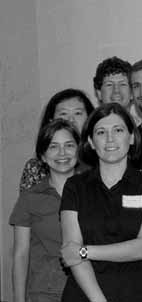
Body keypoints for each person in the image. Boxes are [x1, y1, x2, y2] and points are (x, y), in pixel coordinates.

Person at [59, 103, 142, 302]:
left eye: (118, 130)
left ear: (131, 137)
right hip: (86, 294)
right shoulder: (75, 187)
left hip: (137, 293)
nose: (110, 139)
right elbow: (70, 251)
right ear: (90, 141)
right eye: (101, 132)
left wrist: (84, 251)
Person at [11, 119, 80, 302]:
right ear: (42, 155)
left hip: (87, 291)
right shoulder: (29, 198)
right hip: (44, 294)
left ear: (79, 150)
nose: (62, 153)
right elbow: (21, 254)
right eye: (53, 147)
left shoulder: (93, 193)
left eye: (69, 145)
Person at [19, 88, 94, 192]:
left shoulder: (99, 160)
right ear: (51, 121)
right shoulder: (36, 167)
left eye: (77, 113)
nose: (71, 120)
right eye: (63, 114)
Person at [93, 56, 142, 125]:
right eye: (109, 85)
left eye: (122, 84)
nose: (116, 91)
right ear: (99, 93)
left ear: (132, 93)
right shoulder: (90, 130)